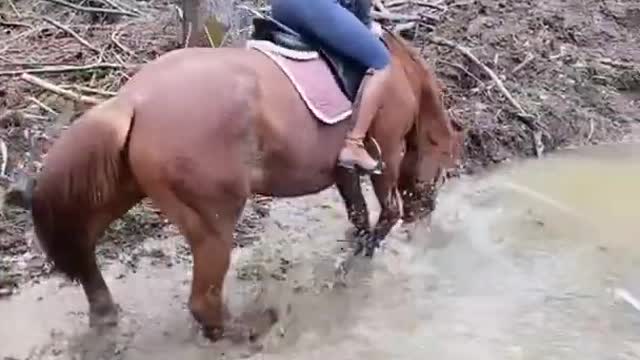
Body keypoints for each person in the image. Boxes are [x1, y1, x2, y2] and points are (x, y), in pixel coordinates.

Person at [271, 0, 391, 175]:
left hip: (281, 7)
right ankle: (354, 144)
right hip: (313, 6)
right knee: (382, 62)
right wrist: (364, 26)